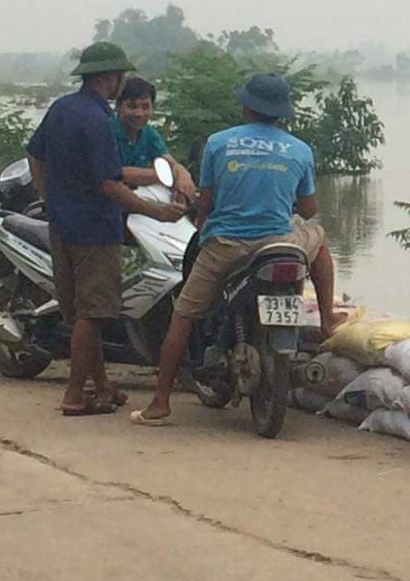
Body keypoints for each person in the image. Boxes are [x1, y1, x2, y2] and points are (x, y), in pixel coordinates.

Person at [132, 72, 340, 426]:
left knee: (183, 316)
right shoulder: (300, 150)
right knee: (317, 237)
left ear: (246, 107)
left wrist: (201, 226)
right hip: (279, 243)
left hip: (226, 246)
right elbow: (308, 210)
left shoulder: (218, 143)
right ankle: (326, 318)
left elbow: (207, 201)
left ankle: (160, 402)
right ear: (281, 112)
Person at [27, 42, 185, 417]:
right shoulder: (99, 122)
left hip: (61, 225)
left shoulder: (62, 108)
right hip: (95, 229)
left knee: (81, 313)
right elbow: (110, 185)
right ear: (109, 77)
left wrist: (50, 198)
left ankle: (101, 386)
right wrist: (157, 212)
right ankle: (74, 395)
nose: (122, 84)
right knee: (94, 315)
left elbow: (35, 155)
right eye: (120, 77)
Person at [111, 77, 197, 201]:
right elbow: (114, 173)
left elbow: (171, 164)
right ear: (118, 106)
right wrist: (162, 175)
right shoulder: (107, 130)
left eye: (145, 107)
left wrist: (182, 174)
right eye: (132, 106)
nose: (139, 113)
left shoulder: (149, 133)